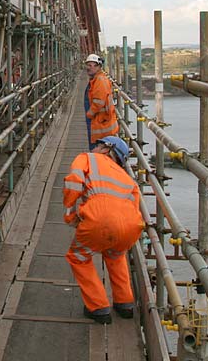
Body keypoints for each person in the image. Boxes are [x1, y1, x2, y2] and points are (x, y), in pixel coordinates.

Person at [63, 136, 144, 324]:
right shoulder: (126, 177)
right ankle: (125, 303)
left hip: (100, 220)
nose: (94, 148)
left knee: (78, 257)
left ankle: (98, 307)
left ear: (107, 149)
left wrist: (70, 215)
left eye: (98, 146)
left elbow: (74, 182)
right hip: (131, 227)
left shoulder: (87, 158)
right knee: (116, 255)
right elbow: (135, 204)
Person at [84, 53, 118, 149]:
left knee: (99, 149)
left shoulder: (99, 80)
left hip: (102, 123)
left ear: (99, 67)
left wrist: (89, 114)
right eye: (89, 65)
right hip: (102, 122)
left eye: (94, 65)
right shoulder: (96, 79)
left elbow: (99, 102)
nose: (90, 68)